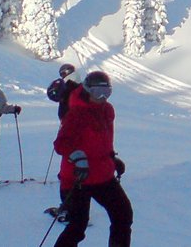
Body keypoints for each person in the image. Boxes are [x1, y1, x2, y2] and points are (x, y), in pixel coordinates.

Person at [53, 70, 132, 247]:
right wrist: (78, 157)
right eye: (98, 92)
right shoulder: (76, 113)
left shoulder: (107, 110)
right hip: (77, 178)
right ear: (88, 90)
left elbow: (103, 140)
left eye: (107, 92)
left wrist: (112, 158)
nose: (102, 97)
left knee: (123, 215)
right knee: (77, 226)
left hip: (102, 175)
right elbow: (61, 144)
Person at [45, 63, 82, 221]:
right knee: (77, 170)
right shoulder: (81, 86)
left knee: (67, 173)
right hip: (82, 133)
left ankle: (69, 209)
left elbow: (58, 100)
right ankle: (78, 208)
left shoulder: (67, 87)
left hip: (70, 132)